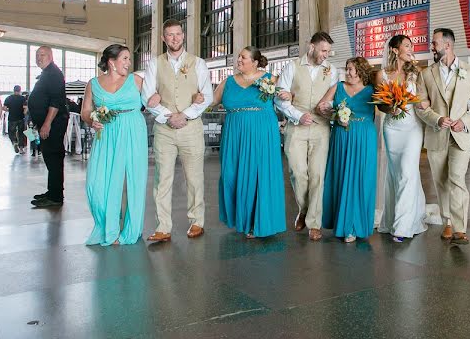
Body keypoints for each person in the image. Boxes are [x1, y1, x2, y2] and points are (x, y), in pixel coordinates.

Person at [141, 19, 214, 242]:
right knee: (162, 179)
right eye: (170, 35)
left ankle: (197, 221)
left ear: (183, 36)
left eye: (178, 34)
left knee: (194, 178)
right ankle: (163, 226)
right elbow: (147, 95)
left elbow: (207, 96)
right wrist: (168, 116)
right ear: (163, 38)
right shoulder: (155, 64)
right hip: (164, 130)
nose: (174, 38)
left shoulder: (198, 63)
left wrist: (185, 115)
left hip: (191, 129)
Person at [416, 28, 470, 245]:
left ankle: (459, 227)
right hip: (437, 134)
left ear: (447, 45)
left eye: (434, 43)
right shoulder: (425, 74)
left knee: (456, 179)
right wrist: (436, 119)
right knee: (441, 181)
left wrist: (464, 121)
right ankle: (447, 220)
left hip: (460, 136)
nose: (431, 47)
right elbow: (420, 106)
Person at [211, 47, 286, 239]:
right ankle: (241, 219)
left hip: (262, 133)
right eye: (238, 57)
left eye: (243, 57)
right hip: (234, 133)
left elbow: (286, 101)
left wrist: (290, 96)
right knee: (231, 174)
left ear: (254, 61)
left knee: (258, 174)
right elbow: (209, 101)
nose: (238, 60)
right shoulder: (227, 81)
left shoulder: (271, 79)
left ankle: (258, 222)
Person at [81, 45, 151, 246]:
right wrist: (91, 119)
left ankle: (131, 229)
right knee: (97, 182)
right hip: (107, 133)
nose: (129, 63)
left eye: (129, 59)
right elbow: (85, 111)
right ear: (112, 62)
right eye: (125, 59)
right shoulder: (93, 84)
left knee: (133, 181)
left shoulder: (136, 81)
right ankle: (107, 227)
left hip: (132, 130)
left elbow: (153, 101)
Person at [275, 32, 338, 241]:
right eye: (323, 50)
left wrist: (328, 109)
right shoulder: (292, 67)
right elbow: (280, 97)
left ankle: (314, 223)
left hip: (321, 127)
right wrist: (298, 115)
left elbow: (335, 97)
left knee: (318, 175)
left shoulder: (332, 70)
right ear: (311, 47)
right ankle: (303, 209)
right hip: (296, 127)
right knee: (297, 172)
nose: (325, 55)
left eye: (328, 51)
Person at [317, 57, 377, 243]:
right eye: (347, 69)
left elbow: (385, 108)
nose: (349, 73)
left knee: (361, 179)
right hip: (342, 136)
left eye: (352, 69)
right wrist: (335, 116)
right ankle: (345, 225)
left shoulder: (372, 90)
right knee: (342, 177)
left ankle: (357, 225)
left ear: (361, 71)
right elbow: (321, 107)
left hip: (364, 137)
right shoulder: (338, 87)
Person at [376, 35, 429, 242]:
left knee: (407, 171)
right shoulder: (382, 74)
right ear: (395, 50)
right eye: (407, 45)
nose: (411, 49)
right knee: (396, 172)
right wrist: (392, 107)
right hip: (392, 127)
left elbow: (425, 97)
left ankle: (402, 227)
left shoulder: (416, 73)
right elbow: (380, 104)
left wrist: (424, 103)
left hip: (413, 127)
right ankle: (397, 218)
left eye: (411, 45)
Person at [29, 47, 68, 207]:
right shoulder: (47, 73)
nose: (39, 58)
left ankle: (55, 197)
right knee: (50, 159)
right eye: (37, 55)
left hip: (54, 123)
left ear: (51, 56)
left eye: (42, 55)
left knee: (53, 158)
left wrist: (47, 123)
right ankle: (52, 191)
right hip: (47, 123)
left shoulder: (54, 74)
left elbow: (55, 101)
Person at [4, 85, 27, 154]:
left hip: (12, 118)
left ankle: (14, 142)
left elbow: (4, 108)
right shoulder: (22, 98)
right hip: (21, 118)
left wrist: (9, 110)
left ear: (13, 90)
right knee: (21, 133)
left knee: (11, 132)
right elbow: (26, 108)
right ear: (20, 90)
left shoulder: (8, 98)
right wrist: (24, 114)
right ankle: (21, 149)